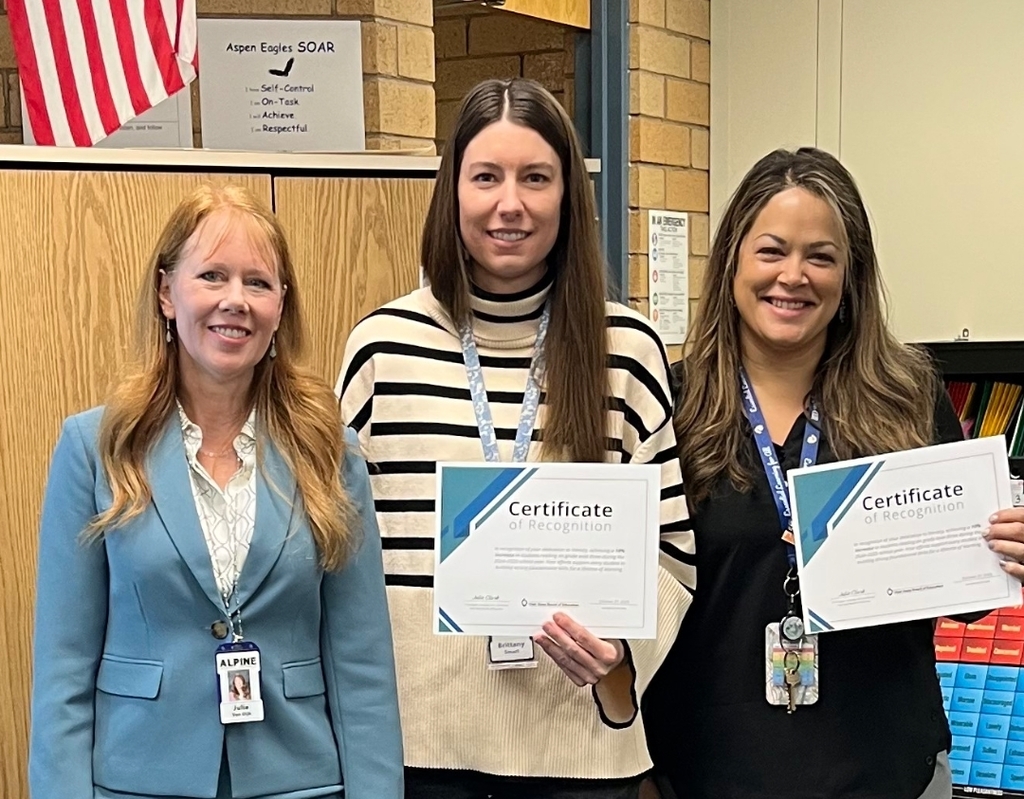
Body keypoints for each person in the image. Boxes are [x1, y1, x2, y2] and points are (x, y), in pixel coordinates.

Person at [337, 77, 696, 798]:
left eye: (535, 177)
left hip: (580, 757)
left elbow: (673, 554)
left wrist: (619, 655)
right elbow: (341, 559)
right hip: (421, 753)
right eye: (486, 177)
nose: (510, 203)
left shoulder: (625, 350)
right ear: (452, 192)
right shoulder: (383, 348)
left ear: (568, 196)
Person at [644, 147, 1024, 799]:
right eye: (771, 251)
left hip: (887, 774)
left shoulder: (906, 400)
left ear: (850, 276)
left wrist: (1004, 550)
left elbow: (967, 597)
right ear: (733, 260)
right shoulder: (670, 408)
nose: (793, 276)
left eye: (820, 256)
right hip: (707, 775)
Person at [29, 185, 403, 799]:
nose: (236, 300)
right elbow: (62, 670)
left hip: (300, 781)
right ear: (166, 293)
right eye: (211, 276)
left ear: (280, 306)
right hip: (137, 781)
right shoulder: (95, 448)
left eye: (258, 283)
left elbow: (362, 665)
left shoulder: (330, 453)